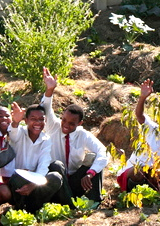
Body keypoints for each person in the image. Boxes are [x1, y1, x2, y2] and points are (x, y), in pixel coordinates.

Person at [41, 68, 109, 204]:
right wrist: (50, 90)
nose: (65, 125)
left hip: (75, 182)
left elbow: (103, 152)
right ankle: (68, 203)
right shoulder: (54, 126)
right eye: (64, 120)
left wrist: (91, 173)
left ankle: (95, 201)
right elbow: (45, 109)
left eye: (72, 123)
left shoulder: (82, 134)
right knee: (56, 165)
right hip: (57, 184)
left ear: (80, 123)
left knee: (94, 158)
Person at [119, 80, 160, 192]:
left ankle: (152, 193)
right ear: (159, 120)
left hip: (154, 176)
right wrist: (143, 97)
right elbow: (139, 115)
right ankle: (133, 193)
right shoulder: (152, 129)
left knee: (156, 173)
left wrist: (157, 171)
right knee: (140, 170)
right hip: (135, 172)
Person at [7, 102, 64, 213]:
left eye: (41, 119)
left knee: (55, 177)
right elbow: (13, 134)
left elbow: (44, 164)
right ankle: (19, 208)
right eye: (33, 119)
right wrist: (15, 121)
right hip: (18, 181)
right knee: (17, 178)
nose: (38, 123)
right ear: (26, 120)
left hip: (35, 183)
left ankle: (33, 208)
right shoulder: (20, 133)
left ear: (45, 121)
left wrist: (33, 185)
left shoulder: (46, 140)